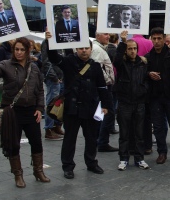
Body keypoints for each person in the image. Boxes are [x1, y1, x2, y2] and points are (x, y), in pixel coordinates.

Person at [45, 31, 111, 179]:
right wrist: (49, 41)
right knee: (70, 138)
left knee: (91, 138)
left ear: (90, 49)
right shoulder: (68, 61)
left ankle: (91, 163)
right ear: (76, 49)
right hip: (72, 109)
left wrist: (105, 105)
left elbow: (102, 87)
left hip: (91, 108)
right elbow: (54, 58)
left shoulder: (95, 66)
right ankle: (68, 166)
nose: (84, 50)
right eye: (81, 48)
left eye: (86, 48)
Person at [0, 38, 48, 188]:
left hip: (31, 111)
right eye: (16, 49)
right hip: (12, 112)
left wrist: (39, 108)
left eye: (22, 50)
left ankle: (38, 171)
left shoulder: (34, 68)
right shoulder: (6, 65)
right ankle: (17, 174)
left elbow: (39, 90)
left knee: (37, 142)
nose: (19, 52)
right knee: (13, 144)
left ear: (27, 51)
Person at [146, 27, 170, 165]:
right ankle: (162, 152)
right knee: (158, 127)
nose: (156, 41)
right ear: (151, 39)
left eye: (159, 38)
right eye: (154, 38)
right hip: (155, 96)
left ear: (163, 39)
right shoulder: (148, 56)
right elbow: (143, 72)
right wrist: (148, 74)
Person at [113, 31, 150, 170]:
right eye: (130, 48)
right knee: (124, 133)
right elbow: (116, 60)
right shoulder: (122, 63)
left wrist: (143, 89)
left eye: (134, 48)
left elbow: (146, 79)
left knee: (139, 133)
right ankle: (123, 158)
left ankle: (139, 158)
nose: (132, 51)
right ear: (126, 50)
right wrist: (122, 42)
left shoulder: (142, 63)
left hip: (139, 102)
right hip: (125, 102)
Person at [91, 32, 118, 152]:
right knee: (108, 113)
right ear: (98, 36)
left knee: (102, 114)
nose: (108, 37)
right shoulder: (97, 49)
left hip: (103, 86)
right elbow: (96, 68)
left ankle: (99, 140)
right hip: (103, 87)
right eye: (105, 34)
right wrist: (106, 80)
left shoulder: (99, 47)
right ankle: (102, 142)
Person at [41, 39, 64, 140]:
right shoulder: (47, 42)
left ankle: (56, 126)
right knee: (51, 103)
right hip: (53, 78)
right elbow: (46, 62)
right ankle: (49, 129)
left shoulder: (59, 41)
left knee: (59, 103)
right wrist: (54, 77)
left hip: (60, 76)